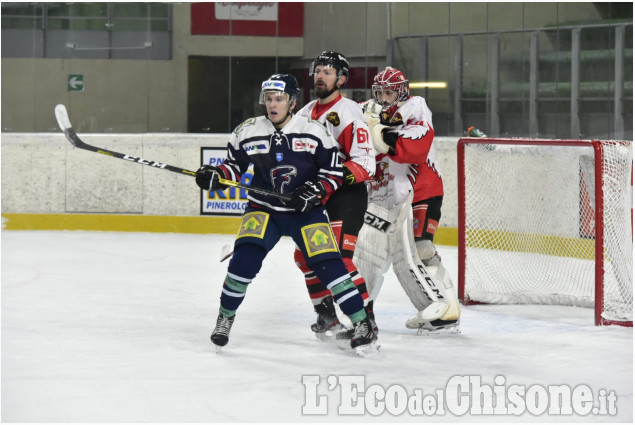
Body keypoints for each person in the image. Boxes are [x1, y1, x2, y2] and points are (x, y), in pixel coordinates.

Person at [195, 73, 377, 353]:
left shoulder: (315, 130)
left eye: (279, 98)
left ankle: (361, 322)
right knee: (243, 263)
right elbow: (232, 167)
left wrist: (315, 190)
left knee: (331, 266)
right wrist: (216, 176)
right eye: (268, 99)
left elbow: (332, 173)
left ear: (292, 101)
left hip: (306, 213)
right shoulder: (248, 130)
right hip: (263, 210)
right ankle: (225, 318)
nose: (272, 104)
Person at [354, 66, 461, 333]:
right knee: (372, 254)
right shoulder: (366, 108)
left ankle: (448, 310)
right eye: (379, 92)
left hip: (422, 190)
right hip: (385, 195)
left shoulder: (415, 106)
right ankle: (361, 312)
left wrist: (378, 131)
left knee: (421, 248)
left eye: (389, 92)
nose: (384, 97)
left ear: (402, 91)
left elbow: (413, 147)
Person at [294, 51, 377, 338]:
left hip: (346, 194)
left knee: (339, 258)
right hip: (320, 196)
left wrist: (327, 182)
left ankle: (367, 323)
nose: (320, 75)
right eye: (318, 70)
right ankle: (327, 317)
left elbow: (366, 162)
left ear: (341, 79)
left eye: (328, 71)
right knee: (305, 256)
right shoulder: (304, 113)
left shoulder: (348, 111)